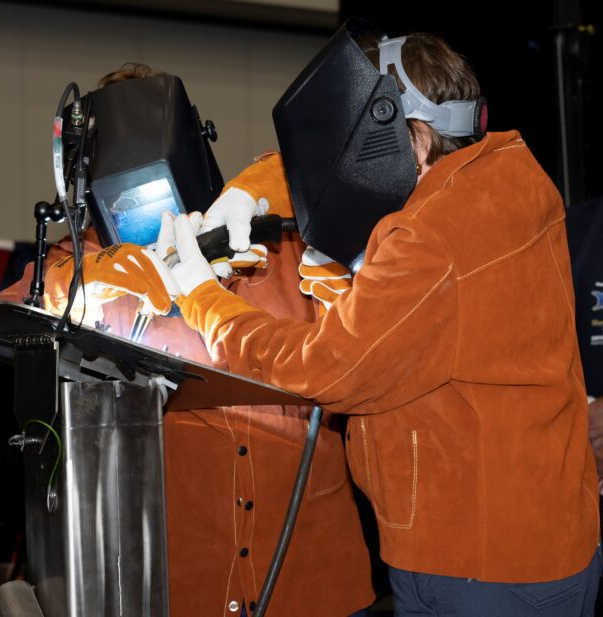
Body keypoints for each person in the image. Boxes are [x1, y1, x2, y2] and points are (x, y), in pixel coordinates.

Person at [81, 26, 602, 617]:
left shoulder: (426, 238)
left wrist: (203, 296)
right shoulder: (514, 175)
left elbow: (325, 369)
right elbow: (335, 171)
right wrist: (252, 193)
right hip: (551, 537)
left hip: (476, 562)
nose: (350, 169)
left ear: (414, 140)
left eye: (362, 149)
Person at [0, 64, 375, 617]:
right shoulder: (84, 259)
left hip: (315, 573)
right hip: (188, 577)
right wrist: (120, 269)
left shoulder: (277, 236)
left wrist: (263, 187)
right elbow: (17, 306)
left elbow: (343, 174)